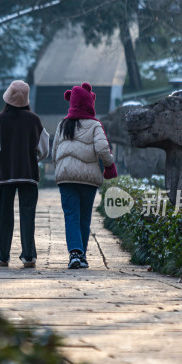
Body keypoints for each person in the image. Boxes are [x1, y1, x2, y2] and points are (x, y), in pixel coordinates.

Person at [0, 80, 50, 268]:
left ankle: (2, 256)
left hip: (6, 175)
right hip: (29, 174)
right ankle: (29, 256)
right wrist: (34, 159)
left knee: (4, 216)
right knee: (28, 215)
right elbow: (44, 147)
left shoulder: (0, 119)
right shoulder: (34, 120)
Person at [52, 82, 115, 269]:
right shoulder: (95, 125)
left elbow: (54, 151)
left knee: (71, 216)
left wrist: (62, 167)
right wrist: (109, 165)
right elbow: (103, 148)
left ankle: (75, 253)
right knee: (84, 217)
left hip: (66, 178)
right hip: (88, 179)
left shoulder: (63, 124)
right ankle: (82, 255)